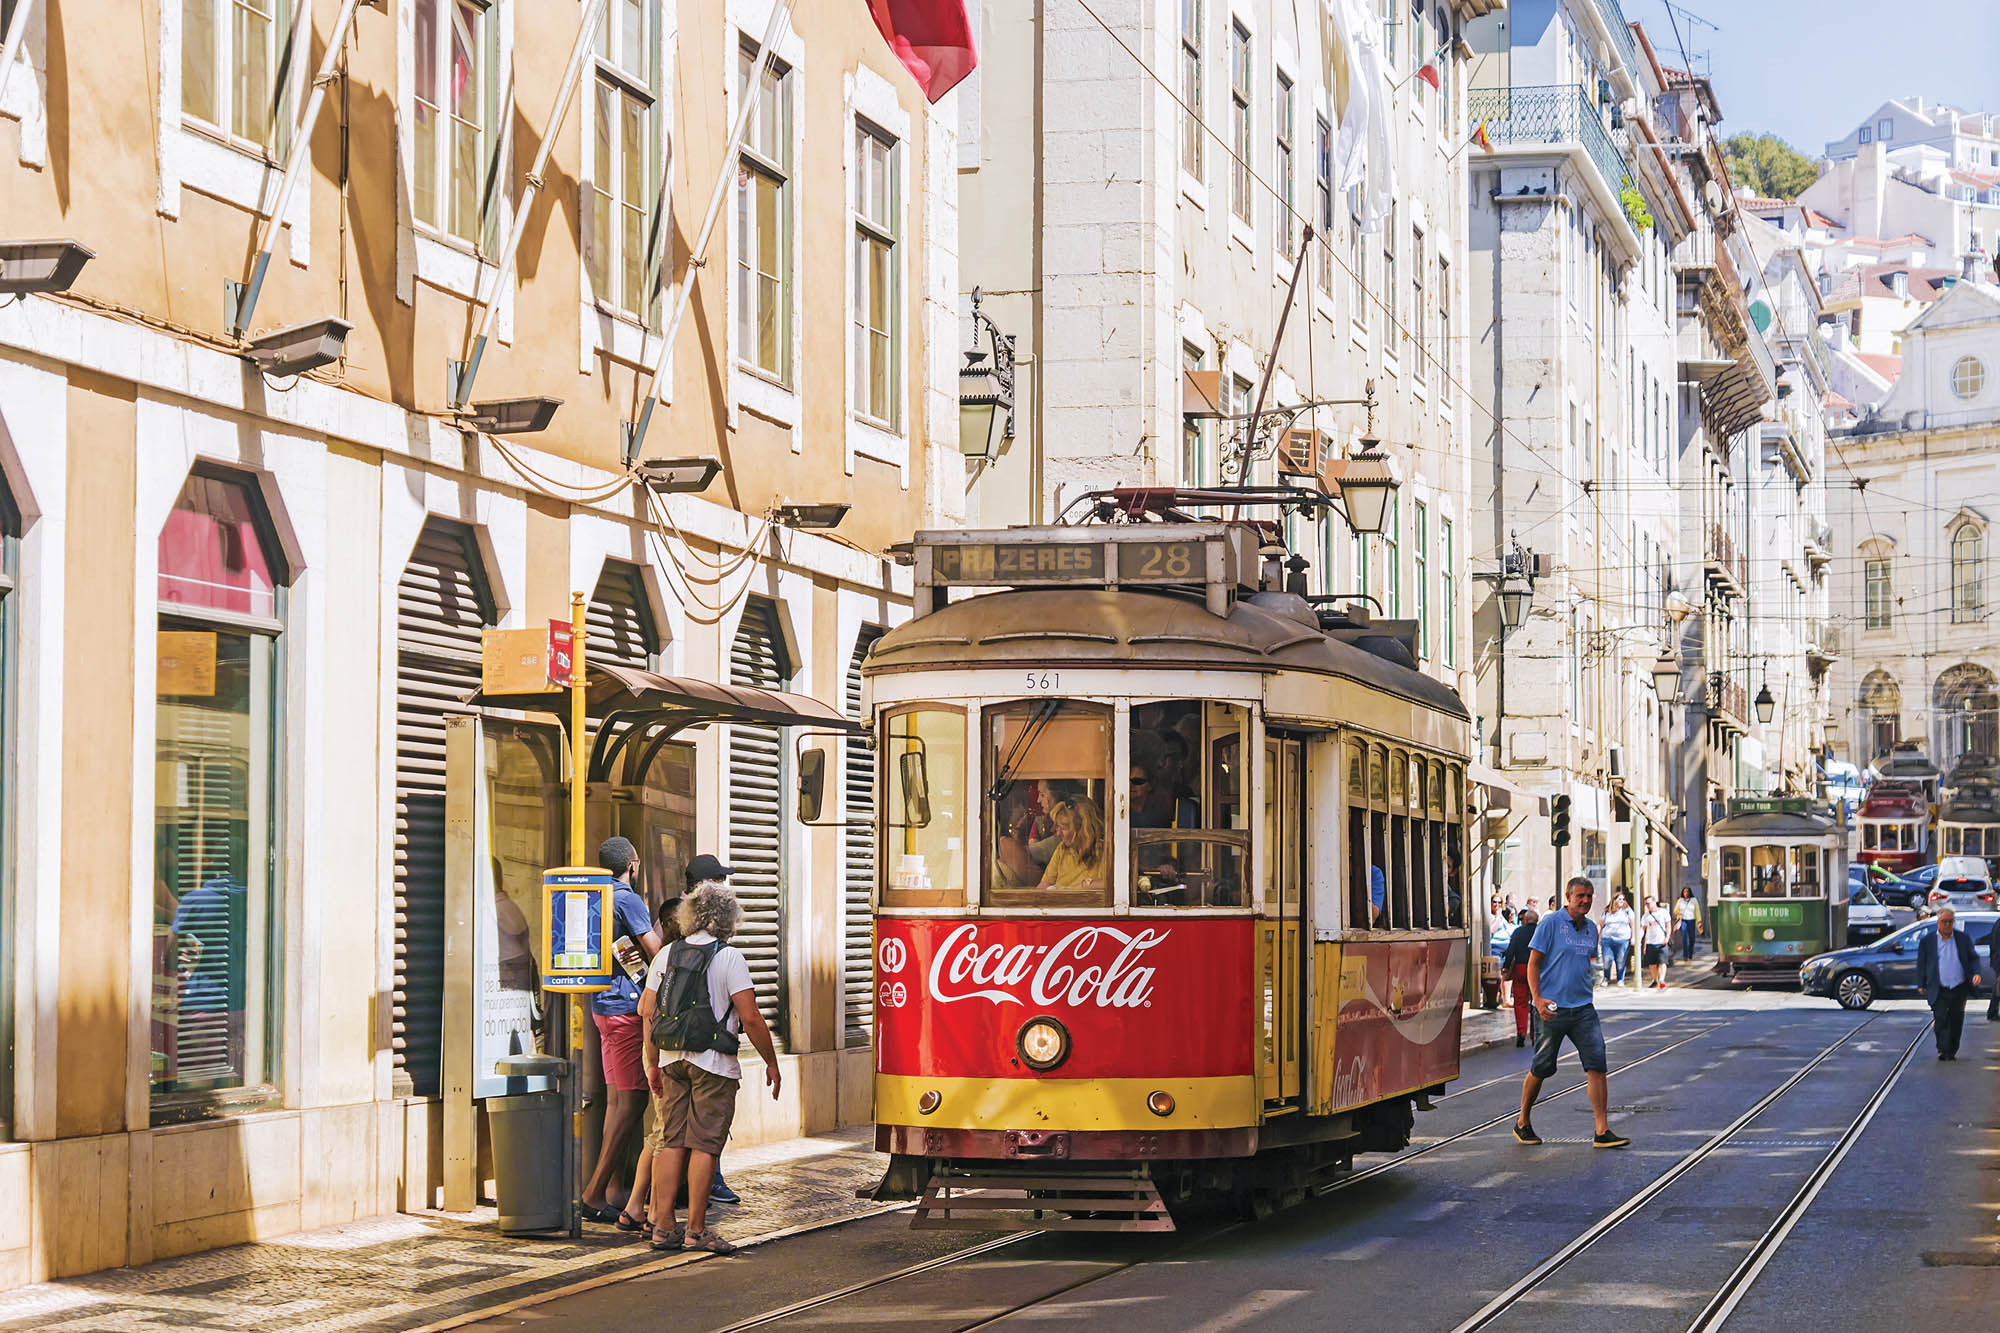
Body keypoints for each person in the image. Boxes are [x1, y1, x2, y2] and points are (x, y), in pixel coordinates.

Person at [642, 861, 780, 1253]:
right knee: (704, 1145)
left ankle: (663, 1226)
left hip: (671, 1060)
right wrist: (771, 1062)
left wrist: (652, 1062)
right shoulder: (729, 958)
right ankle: (697, 1229)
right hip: (712, 1064)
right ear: (727, 919)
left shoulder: (666, 954)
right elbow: (750, 1016)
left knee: (671, 1141)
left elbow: (647, 1011)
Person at [581, 837, 663, 1223]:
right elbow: (654, 950)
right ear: (632, 864)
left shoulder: (595, 894)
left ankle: (613, 1190)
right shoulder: (627, 898)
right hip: (628, 1008)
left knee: (617, 1101)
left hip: (602, 1007)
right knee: (631, 1102)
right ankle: (594, 1192)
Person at [1513, 877, 1628, 1149]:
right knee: (1542, 1067)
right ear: (1568, 896)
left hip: (1583, 1008)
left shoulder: (1591, 928)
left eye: (1589, 896)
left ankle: (1602, 1130)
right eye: (1580, 896)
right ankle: (1522, 1121)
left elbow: (1585, 965)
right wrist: (1538, 999)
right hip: (1551, 1009)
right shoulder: (1550, 923)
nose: (1585, 900)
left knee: (1597, 1063)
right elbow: (1533, 964)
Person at [1918, 907, 1981, 1060]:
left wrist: (1976, 973)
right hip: (1939, 988)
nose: (1947, 925)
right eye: (1944, 922)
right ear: (1938, 922)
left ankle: (1951, 1050)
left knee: (1956, 1019)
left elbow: (1973, 958)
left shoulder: (1962, 939)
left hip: (1959, 987)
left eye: (1950, 922)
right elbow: (1922, 963)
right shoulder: (1928, 942)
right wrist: (1920, 983)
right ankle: (1942, 1049)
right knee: (1940, 1019)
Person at [1038, 796, 1107, 893]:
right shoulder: (1062, 849)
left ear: (1083, 830)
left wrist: (1085, 886)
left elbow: (1114, 886)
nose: (1058, 833)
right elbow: (1044, 885)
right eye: (1057, 827)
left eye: (1063, 828)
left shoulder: (1105, 852)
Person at [1501, 906, 1541, 1048]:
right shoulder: (1541, 931)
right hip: (1537, 970)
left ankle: (1521, 1032)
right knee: (1536, 1001)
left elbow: (1511, 950)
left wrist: (1506, 966)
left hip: (1521, 968)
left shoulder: (1518, 932)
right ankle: (1535, 1034)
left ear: (1526, 920)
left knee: (1520, 1001)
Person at [1599, 893, 1635, 984]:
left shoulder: (1627, 911)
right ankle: (1606, 978)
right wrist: (1599, 938)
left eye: (1623, 899)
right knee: (1607, 960)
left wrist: (1633, 937)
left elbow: (1633, 925)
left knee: (1620, 960)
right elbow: (1601, 925)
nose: (1622, 901)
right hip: (1607, 939)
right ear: (1614, 900)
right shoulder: (1607, 912)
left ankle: (1620, 979)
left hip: (1623, 940)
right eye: (1619, 899)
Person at [1639, 897, 1672, 989]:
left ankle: (1661, 979)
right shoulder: (1646, 916)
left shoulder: (1663, 912)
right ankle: (1655, 980)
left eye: (1649, 903)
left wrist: (1667, 938)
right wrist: (1641, 941)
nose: (1648, 905)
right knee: (1652, 963)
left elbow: (1668, 926)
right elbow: (1643, 929)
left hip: (1661, 941)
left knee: (1662, 961)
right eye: (1646, 904)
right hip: (1650, 942)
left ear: (1654, 902)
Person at [1674, 887, 1701, 962]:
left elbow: (1697, 911)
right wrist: (1679, 912)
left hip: (1692, 920)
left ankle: (1690, 953)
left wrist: (1699, 921)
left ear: (1690, 892)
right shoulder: (1680, 900)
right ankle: (1685, 955)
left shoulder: (1694, 900)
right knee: (1684, 938)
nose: (1686, 893)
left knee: (1692, 939)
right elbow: (1675, 910)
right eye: (1684, 892)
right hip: (1683, 920)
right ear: (1682, 892)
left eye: (1687, 891)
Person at [1987, 915, 2000, 1023]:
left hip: (1997, 960)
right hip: (1999, 960)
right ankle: (1992, 1012)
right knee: (1998, 987)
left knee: (1997, 987)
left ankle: (1993, 1011)